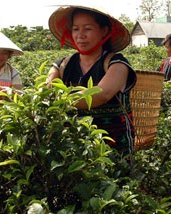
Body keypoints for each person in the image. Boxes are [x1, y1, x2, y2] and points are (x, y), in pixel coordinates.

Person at [47, 5, 137, 157]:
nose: (80, 35)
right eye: (76, 29)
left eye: (87, 29)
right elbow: (48, 90)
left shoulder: (117, 64)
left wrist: (59, 99)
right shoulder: (62, 65)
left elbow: (100, 94)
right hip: (72, 151)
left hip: (113, 151)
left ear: (104, 31)